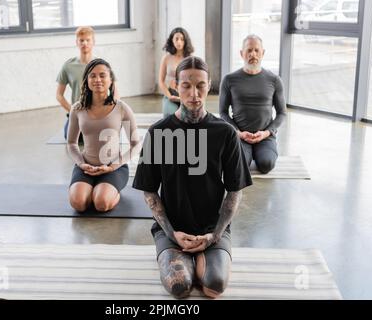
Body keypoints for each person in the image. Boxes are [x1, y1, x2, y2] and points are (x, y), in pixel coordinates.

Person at [133, 56, 252, 299]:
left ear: (209, 86)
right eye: (186, 85)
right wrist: (171, 233)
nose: (194, 93)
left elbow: (234, 191)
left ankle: (204, 255)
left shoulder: (225, 133)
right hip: (172, 228)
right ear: (176, 85)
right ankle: (186, 255)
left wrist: (214, 235)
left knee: (213, 287)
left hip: (212, 228)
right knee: (180, 287)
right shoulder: (158, 132)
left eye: (200, 85)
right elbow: (149, 190)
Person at [67, 58, 141, 213]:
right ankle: (92, 188)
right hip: (86, 166)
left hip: (113, 168)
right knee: (78, 203)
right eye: (92, 76)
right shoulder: (77, 108)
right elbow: (72, 143)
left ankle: (111, 191)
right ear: (86, 80)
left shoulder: (122, 108)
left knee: (101, 204)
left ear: (111, 80)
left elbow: (135, 144)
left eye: (102, 75)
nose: (97, 79)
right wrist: (81, 164)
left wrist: (113, 166)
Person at [219, 34, 286, 174]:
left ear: (263, 53)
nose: (253, 54)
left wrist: (266, 133)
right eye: (249, 50)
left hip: (265, 136)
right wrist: (238, 133)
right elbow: (223, 113)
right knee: (241, 164)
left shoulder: (274, 80)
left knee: (266, 165)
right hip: (240, 135)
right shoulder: (229, 79)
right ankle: (248, 152)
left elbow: (282, 113)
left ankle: (261, 152)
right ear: (241, 53)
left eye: (256, 50)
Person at [56, 26, 119, 140]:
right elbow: (59, 95)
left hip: (99, 113)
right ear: (77, 42)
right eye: (81, 40)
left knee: (104, 137)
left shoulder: (102, 65)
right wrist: (72, 110)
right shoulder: (68, 66)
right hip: (78, 113)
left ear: (93, 42)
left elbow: (115, 92)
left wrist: (108, 111)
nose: (84, 43)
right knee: (71, 138)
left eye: (88, 40)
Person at [158, 27, 194, 117]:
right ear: (172, 40)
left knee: (187, 117)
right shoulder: (166, 58)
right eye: (176, 39)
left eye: (182, 39)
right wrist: (169, 96)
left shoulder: (190, 59)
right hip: (171, 94)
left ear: (186, 41)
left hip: (187, 94)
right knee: (169, 116)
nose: (179, 42)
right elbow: (161, 81)